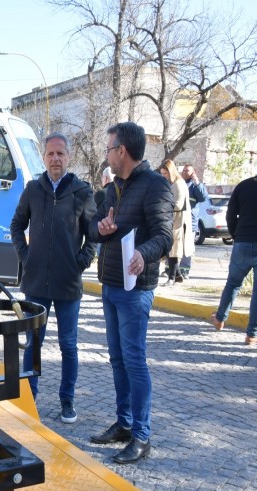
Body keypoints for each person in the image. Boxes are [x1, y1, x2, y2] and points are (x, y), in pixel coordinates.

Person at [87, 121, 173, 464]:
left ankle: (142, 435)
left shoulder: (155, 186)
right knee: (117, 359)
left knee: (135, 361)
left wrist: (143, 253)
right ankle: (123, 424)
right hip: (110, 284)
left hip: (136, 290)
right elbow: (95, 228)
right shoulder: (114, 187)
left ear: (122, 150)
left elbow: (164, 237)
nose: (106, 154)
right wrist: (102, 229)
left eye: (109, 148)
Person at [10, 132, 96, 424]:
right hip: (36, 284)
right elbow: (16, 225)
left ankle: (67, 401)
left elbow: (93, 236)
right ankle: (28, 398)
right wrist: (26, 256)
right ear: (43, 158)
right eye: (50, 154)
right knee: (33, 343)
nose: (55, 159)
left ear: (68, 157)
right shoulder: (33, 189)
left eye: (60, 153)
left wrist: (79, 264)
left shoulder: (82, 192)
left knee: (68, 345)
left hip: (68, 285)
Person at [209, 174, 257, 346]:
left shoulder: (243, 186)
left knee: (233, 283)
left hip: (243, 241)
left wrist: (236, 234)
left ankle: (220, 318)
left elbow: (231, 214)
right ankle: (251, 335)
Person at [159, 159, 193, 286]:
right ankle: (177, 275)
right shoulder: (172, 183)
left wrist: (164, 205)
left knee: (172, 250)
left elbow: (178, 204)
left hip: (177, 222)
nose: (164, 176)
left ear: (171, 171)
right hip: (171, 221)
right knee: (169, 249)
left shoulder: (178, 184)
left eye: (165, 174)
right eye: (162, 174)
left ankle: (172, 278)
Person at [179, 164, 209, 279]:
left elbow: (202, 197)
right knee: (174, 245)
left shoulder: (195, 186)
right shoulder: (179, 183)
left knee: (187, 247)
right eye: (184, 170)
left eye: (187, 171)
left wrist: (197, 183)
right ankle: (170, 268)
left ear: (193, 172)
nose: (185, 172)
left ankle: (184, 270)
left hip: (190, 222)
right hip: (177, 220)